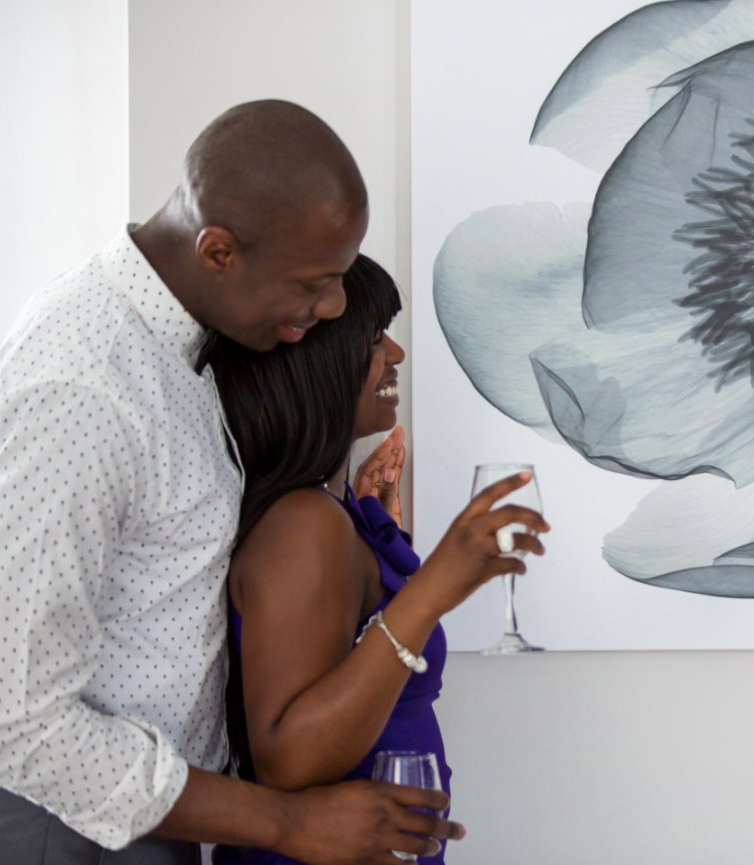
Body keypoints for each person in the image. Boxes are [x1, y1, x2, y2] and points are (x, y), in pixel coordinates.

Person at [0, 100, 464, 865]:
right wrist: (286, 822)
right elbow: (14, 724)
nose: (336, 307)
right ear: (218, 250)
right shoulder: (81, 383)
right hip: (50, 833)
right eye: (317, 282)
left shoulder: (182, 352)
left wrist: (356, 542)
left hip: (143, 829)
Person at [201, 254, 548, 865]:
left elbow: (351, 664)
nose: (395, 354)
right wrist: (433, 587)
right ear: (314, 360)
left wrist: (378, 531)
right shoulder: (301, 524)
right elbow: (287, 757)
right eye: (372, 336)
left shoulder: (332, 514)